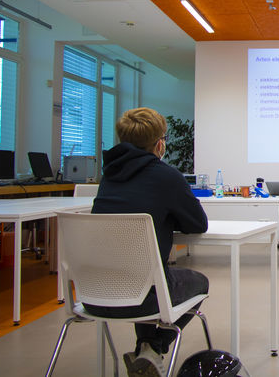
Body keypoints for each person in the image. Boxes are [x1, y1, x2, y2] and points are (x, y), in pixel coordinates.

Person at [86, 107, 209, 377]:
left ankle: (147, 346)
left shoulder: (108, 178)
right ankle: (153, 347)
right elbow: (198, 224)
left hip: (93, 294)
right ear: (159, 142)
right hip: (142, 296)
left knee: (144, 273)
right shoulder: (166, 176)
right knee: (198, 282)